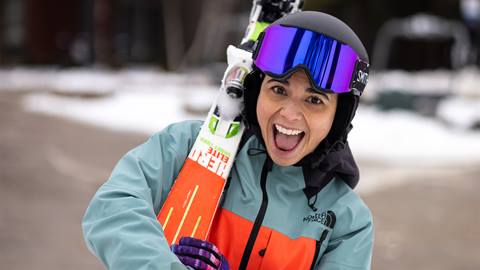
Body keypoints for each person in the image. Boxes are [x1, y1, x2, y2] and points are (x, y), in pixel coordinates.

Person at [82, 11, 373, 270]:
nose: (290, 114)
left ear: (339, 116)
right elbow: (111, 209)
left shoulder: (346, 222)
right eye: (278, 90)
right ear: (257, 90)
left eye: (313, 100)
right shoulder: (187, 146)